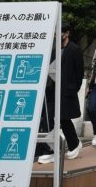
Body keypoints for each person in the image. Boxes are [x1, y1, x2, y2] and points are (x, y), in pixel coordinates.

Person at [36, 24, 85, 164]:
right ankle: (52, 150)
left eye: (60, 33)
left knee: (63, 118)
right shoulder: (54, 50)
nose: (58, 36)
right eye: (56, 33)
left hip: (66, 91)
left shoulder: (74, 49)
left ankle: (71, 144)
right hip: (52, 90)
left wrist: (73, 88)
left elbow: (79, 72)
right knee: (49, 118)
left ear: (67, 33)